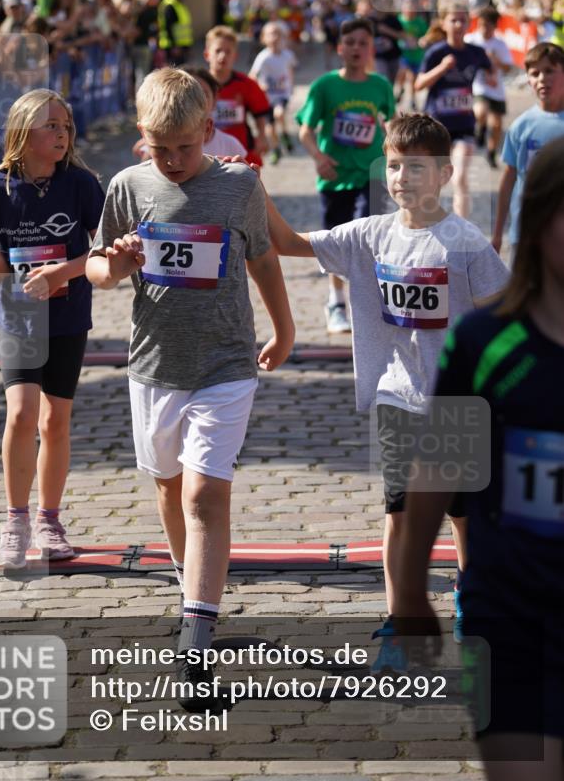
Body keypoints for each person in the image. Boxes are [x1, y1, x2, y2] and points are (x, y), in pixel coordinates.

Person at [86, 68, 294, 708]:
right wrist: (114, 266)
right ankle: (191, 590)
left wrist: (284, 328)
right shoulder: (127, 186)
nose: (173, 160)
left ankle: (195, 644)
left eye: (184, 145)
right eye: (159, 147)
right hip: (154, 366)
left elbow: (263, 257)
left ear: (209, 131)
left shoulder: (238, 186)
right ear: (141, 138)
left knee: (206, 494)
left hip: (226, 365)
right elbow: (98, 266)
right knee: (170, 489)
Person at [263, 113, 508, 651]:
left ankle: (474, 601)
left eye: (416, 168)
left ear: (445, 173)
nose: (402, 178)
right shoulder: (369, 236)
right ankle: (401, 619)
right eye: (394, 166)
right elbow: (285, 242)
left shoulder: (464, 243)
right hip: (396, 396)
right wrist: (250, 182)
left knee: (463, 516)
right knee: (399, 512)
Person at [393, 137, 564, 780]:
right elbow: (437, 470)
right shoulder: (486, 342)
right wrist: (410, 589)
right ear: (540, 217)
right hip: (510, 614)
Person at [0, 89, 105, 570]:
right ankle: (15, 520)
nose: (62, 134)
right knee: (20, 415)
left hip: (67, 315)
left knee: (54, 421)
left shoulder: (81, 183)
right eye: (51, 126)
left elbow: (104, 248)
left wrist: (64, 271)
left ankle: (49, 521)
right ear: (23, 132)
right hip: (18, 315)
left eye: (66, 126)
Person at [295, 17, 395, 334]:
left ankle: (367, 300)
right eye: (349, 43)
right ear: (340, 48)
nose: (356, 48)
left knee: (370, 236)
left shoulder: (380, 86)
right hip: (335, 175)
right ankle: (336, 301)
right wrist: (319, 157)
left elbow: (391, 125)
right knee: (336, 242)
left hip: (372, 173)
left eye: (362, 43)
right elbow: (305, 130)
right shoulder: (324, 86)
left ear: (371, 49)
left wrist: (395, 157)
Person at [415, 2, 495, 219]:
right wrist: (442, 68)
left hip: (464, 125)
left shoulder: (476, 52)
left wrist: (490, 78)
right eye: (453, 20)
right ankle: (427, 222)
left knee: (459, 177)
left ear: (470, 23)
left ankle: (462, 228)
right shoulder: (436, 52)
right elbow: (418, 84)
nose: (459, 24)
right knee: (432, 180)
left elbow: (492, 74)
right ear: (443, 23)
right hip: (436, 126)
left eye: (463, 20)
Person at [492, 43, 564, 257]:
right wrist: (497, 234)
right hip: (525, 233)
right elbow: (508, 179)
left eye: (550, 70)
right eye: (535, 73)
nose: (542, 78)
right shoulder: (521, 126)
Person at [131, 66, 247, 162]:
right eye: (188, 95)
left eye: (203, 94)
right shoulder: (155, 143)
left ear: (215, 99)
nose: (197, 101)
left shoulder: (230, 145)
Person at [204, 25, 271, 166]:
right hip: (204, 154)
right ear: (207, 55)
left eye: (228, 52)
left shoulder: (246, 84)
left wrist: (262, 136)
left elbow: (260, 113)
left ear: (235, 56)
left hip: (239, 153)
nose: (223, 56)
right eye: (218, 51)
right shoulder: (196, 85)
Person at [465, 6, 514, 168]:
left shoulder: (500, 44)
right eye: (480, 25)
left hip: (496, 88)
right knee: (480, 111)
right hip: (478, 85)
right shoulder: (471, 40)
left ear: (494, 26)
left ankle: (491, 153)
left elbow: (508, 68)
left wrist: (495, 60)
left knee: (497, 125)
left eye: (487, 25)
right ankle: (480, 127)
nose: (483, 29)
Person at [249, 20, 297, 164]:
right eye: (271, 34)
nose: (275, 37)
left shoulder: (288, 55)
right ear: (264, 38)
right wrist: (259, 85)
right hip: (267, 96)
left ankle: (285, 134)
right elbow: (252, 76)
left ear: (284, 38)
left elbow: (290, 70)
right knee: (270, 128)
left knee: (279, 113)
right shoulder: (263, 57)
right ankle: (276, 149)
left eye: (278, 34)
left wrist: (291, 86)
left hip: (282, 94)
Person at [157, 0, 193, 65]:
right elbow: (168, 26)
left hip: (181, 45)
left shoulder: (178, 4)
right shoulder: (169, 5)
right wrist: (174, 46)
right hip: (172, 47)